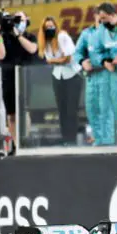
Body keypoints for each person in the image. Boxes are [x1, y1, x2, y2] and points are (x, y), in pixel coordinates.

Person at [0, 10, 38, 153]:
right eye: (15, 20)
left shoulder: (30, 36)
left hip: (24, 76)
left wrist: (18, 35)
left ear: (26, 21)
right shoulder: (4, 36)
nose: (18, 22)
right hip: (8, 76)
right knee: (11, 113)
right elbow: (0, 55)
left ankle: (24, 139)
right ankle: (15, 142)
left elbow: (32, 49)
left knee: (24, 110)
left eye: (21, 20)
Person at [37, 16, 82, 145]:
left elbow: (68, 58)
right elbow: (48, 60)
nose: (50, 29)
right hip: (57, 76)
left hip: (72, 75)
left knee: (71, 109)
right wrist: (59, 60)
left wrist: (55, 60)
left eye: (52, 26)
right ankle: (65, 138)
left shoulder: (63, 37)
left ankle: (72, 139)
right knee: (62, 109)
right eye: (47, 27)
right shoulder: (44, 42)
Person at [95, 2, 117, 145]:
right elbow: (96, 51)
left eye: (104, 18)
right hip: (115, 72)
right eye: (100, 19)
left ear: (113, 15)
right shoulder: (101, 31)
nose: (102, 21)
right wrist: (104, 61)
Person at [75, 8, 108, 146]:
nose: (102, 18)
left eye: (104, 15)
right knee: (92, 108)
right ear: (94, 16)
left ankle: (108, 140)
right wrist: (82, 61)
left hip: (107, 74)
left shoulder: (111, 32)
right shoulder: (86, 33)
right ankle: (98, 140)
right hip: (91, 75)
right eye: (99, 15)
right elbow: (77, 52)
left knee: (106, 108)